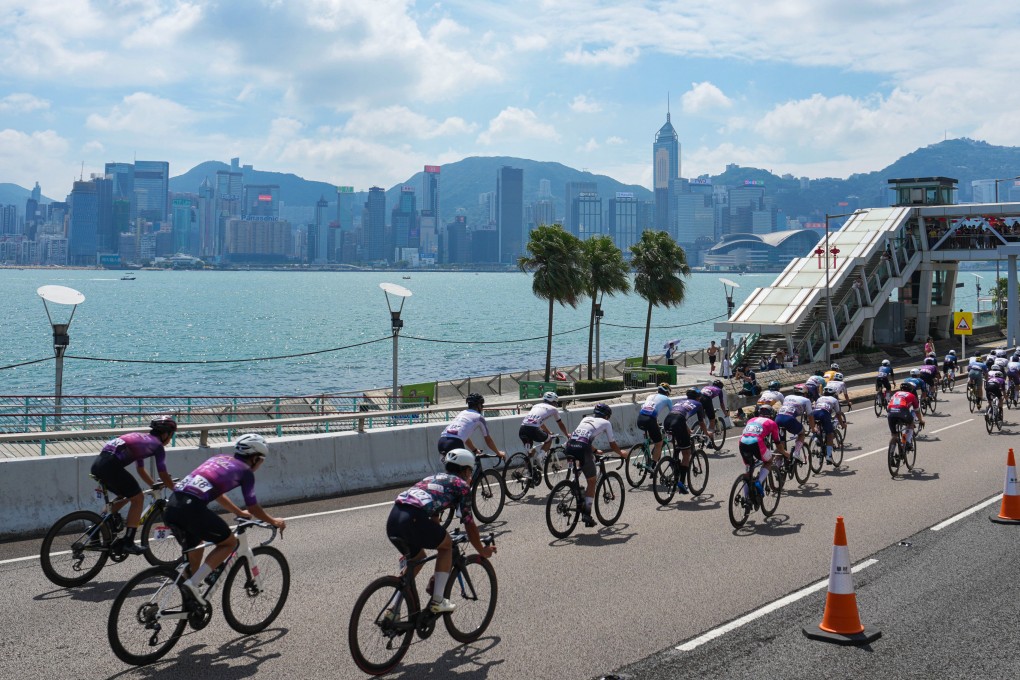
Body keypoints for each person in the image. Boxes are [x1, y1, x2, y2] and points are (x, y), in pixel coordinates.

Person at [164, 434, 287, 606]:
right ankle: (192, 584)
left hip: (172, 506)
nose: (260, 464)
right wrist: (274, 521)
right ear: (255, 458)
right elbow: (254, 508)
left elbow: (217, 493)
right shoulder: (245, 472)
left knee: (196, 547)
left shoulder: (219, 458)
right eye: (261, 461)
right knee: (229, 543)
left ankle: (189, 594)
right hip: (191, 509)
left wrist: (237, 512)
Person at [387, 449, 496, 615]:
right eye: (470, 471)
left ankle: (392, 609)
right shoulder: (462, 486)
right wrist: (482, 550)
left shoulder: (434, 478)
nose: (470, 476)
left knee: (419, 558)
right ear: (466, 470)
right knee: (446, 546)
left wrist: (438, 533)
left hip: (394, 518)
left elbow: (434, 518)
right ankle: (437, 601)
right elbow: (469, 523)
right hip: (414, 519)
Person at [90, 416, 179, 555]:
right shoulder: (157, 446)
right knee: (138, 498)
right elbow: (163, 473)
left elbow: (141, 470)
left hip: (98, 464)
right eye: (172, 435)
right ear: (165, 434)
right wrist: (176, 489)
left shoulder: (143, 439)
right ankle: (128, 542)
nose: (171, 438)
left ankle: (95, 528)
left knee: (125, 495)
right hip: (111, 465)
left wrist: (153, 485)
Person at [563, 403, 628, 527]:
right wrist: (621, 453)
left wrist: (594, 450)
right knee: (592, 481)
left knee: (586, 459)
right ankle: (587, 514)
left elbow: (580, 437)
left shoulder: (586, 418)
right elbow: (612, 444)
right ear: (607, 416)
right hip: (583, 448)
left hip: (569, 446)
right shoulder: (606, 423)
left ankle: (574, 484)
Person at [664, 391, 710, 494]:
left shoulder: (681, 401)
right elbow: (701, 422)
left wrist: (689, 431)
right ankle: (681, 482)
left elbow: (679, 416)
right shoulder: (698, 404)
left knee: (678, 445)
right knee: (686, 453)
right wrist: (707, 433)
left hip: (667, 421)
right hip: (678, 422)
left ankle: (674, 463)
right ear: (698, 398)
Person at [437, 393, 504, 461]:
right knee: (466, 468)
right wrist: (498, 453)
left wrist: (474, 450)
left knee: (452, 469)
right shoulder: (479, 417)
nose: (482, 407)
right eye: (481, 405)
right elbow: (488, 440)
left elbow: (464, 436)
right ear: (478, 405)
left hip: (442, 441)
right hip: (455, 443)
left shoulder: (462, 413)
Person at [738, 405, 787, 498]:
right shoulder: (772, 423)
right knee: (768, 461)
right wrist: (785, 453)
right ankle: (759, 481)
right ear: (772, 415)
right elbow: (778, 444)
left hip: (742, 442)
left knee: (748, 468)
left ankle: (746, 498)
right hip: (756, 442)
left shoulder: (751, 420)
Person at [518, 391, 570, 473]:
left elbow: (540, 422)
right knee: (548, 440)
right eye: (556, 402)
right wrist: (567, 434)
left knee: (531, 451)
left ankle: (527, 475)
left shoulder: (536, 405)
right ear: (553, 402)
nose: (556, 404)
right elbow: (560, 423)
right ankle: (540, 457)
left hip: (522, 429)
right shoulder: (553, 409)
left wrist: (548, 432)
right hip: (533, 429)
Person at [636, 383, 673, 465]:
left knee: (652, 430)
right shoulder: (667, 399)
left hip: (640, 418)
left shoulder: (650, 396)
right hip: (650, 420)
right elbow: (674, 413)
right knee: (659, 443)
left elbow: (646, 408)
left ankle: (646, 445)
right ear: (667, 392)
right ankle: (653, 466)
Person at [775, 387, 814, 464]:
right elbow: (810, 416)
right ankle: (796, 452)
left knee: (781, 443)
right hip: (789, 419)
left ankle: (777, 465)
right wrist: (813, 428)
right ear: (805, 393)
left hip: (778, 418)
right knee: (802, 433)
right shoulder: (806, 400)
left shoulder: (787, 397)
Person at [887, 382, 924, 448]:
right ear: (910, 390)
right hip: (902, 411)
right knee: (910, 424)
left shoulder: (896, 393)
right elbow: (917, 411)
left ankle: (891, 453)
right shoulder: (911, 395)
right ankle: (906, 441)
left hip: (890, 412)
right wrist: (921, 420)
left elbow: (889, 404)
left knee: (894, 435)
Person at [813, 388, 844, 465]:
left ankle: (816, 438)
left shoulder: (820, 398)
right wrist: (842, 424)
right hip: (824, 413)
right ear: (834, 395)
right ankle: (829, 456)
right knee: (829, 434)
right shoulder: (834, 400)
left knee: (816, 427)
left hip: (814, 413)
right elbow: (838, 414)